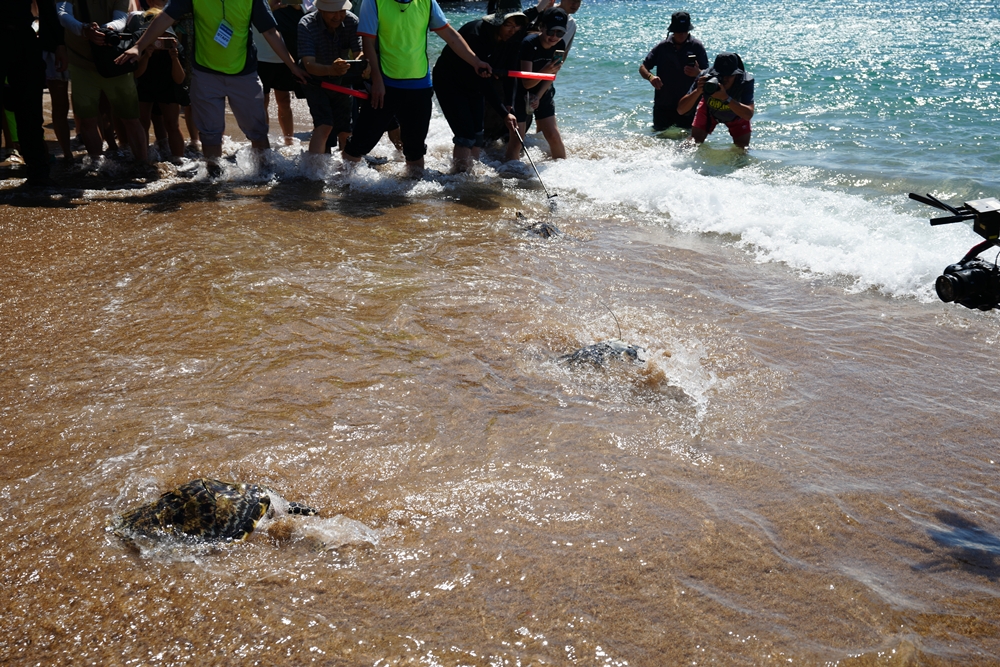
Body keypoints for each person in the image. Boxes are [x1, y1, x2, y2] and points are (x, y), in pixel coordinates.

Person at [115, 0, 308, 176]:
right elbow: (165, 17)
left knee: (257, 131)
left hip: (243, 74)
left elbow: (270, 32)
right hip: (205, 74)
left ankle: (265, 176)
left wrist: (292, 66)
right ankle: (213, 182)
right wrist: (139, 46)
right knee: (210, 135)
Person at [341, 0, 493, 178]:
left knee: (415, 150)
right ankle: (342, 186)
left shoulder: (427, 2)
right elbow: (368, 43)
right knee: (359, 143)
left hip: (420, 86)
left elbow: (450, 36)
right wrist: (377, 80)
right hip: (385, 84)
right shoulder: (373, 2)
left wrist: (476, 62)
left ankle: (412, 192)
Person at [432, 0, 522, 172]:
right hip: (450, 82)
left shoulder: (513, 38)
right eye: (508, 25)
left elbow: (510, 73)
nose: (513, 30)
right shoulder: (476, 34)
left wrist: (508, 105)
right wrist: (504, 114)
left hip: (475, 85)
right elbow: (483, 81)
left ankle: (470, 176)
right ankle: (459, 177)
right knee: (465, 136)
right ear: (498, 21)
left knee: (478, 135)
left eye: (517, 25)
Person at [57, 0, 150, 165]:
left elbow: (121, 19)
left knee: (131, 118)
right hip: (80, 63)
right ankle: (96, 165)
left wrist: (105, 30)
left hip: (114, 61)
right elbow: (63, 15)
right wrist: (84, 29)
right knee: (87, 119)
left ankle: (142, 165)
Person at [1, 0, 65, 187]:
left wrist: (59, 44)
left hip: (23, 37)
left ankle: (39, 174)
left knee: (30, 110)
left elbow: (46, 7)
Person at [298, 0, 363, 154]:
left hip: (342, 79)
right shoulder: (306, 24)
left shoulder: (352, 20)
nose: (338, 16)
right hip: (314, 81)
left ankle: (348, 166)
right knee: (324, 126)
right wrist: (331, 70)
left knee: (346, 130)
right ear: (320, 9)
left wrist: (359, 63)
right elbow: (309, 64)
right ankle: (314, 168)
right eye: (332, 11)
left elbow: (359, 52)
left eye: (342, 11)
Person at [126, 0, 187, 159]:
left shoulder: (174, 45)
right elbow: (137, 75)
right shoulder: (140, 42)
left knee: (172, 124)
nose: (159, 37)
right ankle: (142, 159)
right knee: (143, 123)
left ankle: (178, 160)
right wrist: (146, 55)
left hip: (167, 83)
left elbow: (180, 79)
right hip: (144, 83)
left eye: (163, 32)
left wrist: (174, 58)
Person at [505, 7, 567, 162]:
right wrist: (546, 70)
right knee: (518, 139)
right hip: (521, 91)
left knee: (553, 135)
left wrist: (538, 96)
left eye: (560, 33)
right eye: (551, 31)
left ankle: (564, 169)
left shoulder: (560, 44)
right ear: (542, 27)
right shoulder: (529, 43)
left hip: (543, 90)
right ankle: (509, 171)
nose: (554, 37)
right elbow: (527, 82)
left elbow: (552, 75)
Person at [638, 11, 707, 131]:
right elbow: (643, 67)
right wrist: (651, 77)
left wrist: (698, 73)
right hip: (663, 104)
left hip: (688, 105)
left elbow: (707, 74)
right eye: (679, 31)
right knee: (659, 137)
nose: (682, 34)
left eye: (685, 31)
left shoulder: (697, 46)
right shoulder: (662, 47)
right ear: (673, 31)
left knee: (686, 139)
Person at [252, 0, 305, 147]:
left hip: (285, 58)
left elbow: (306, 11)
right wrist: (269, 8)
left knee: (284, 101)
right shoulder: (259, 3)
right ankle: (264, 142)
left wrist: (295, 4)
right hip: (260, 57)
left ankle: (289, 141)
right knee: (263, 101)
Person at [677, 52, 755, 148]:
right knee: (694, 141)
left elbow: (748, 115)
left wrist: (726, 98)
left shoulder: (745, 81)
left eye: (730, 75)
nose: (725, 79)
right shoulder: (705, 77)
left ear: (736, 74)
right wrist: (697, 91)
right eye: (721, 75)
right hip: (708, 111)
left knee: (742, 147)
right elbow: (681, 110)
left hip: (736, 113)